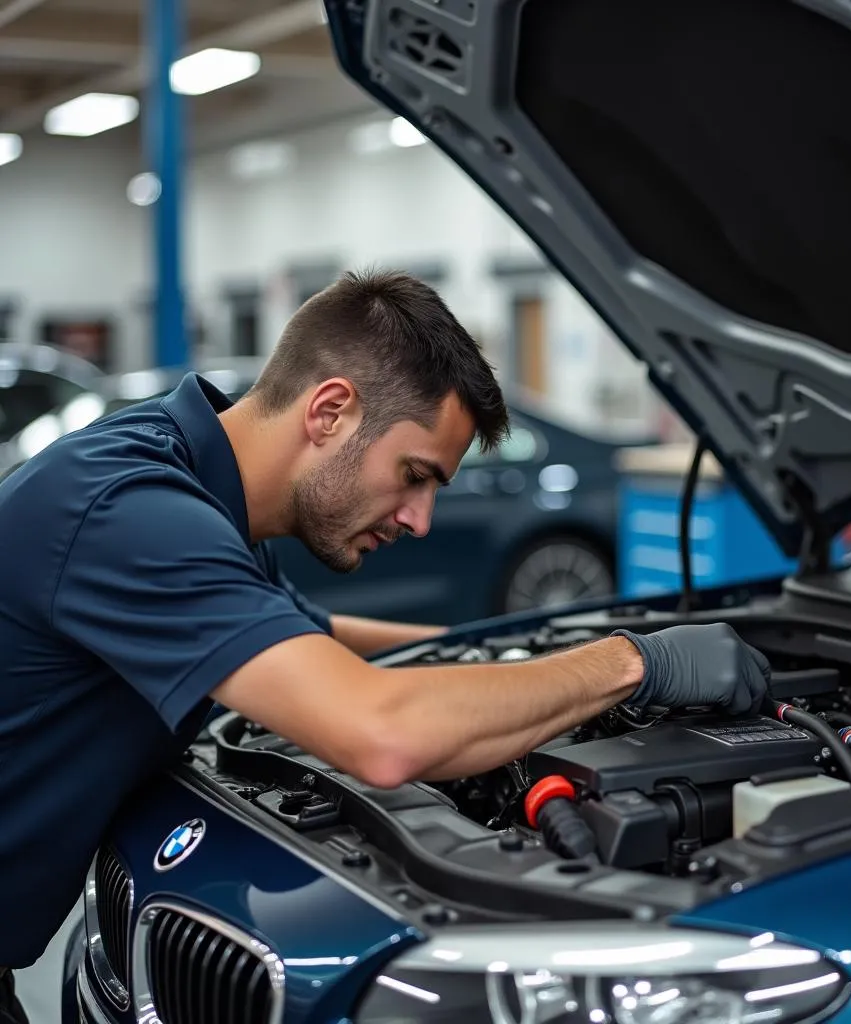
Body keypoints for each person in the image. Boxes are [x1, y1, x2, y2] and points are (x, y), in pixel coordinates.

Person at [0, 269, 769, 1019]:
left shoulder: (201, 491)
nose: (419, 518)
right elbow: (382, 733)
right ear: (330, 410)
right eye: (413, 475)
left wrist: (522, 653)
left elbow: (323, 643)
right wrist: (635, 663)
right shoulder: (128, 511)